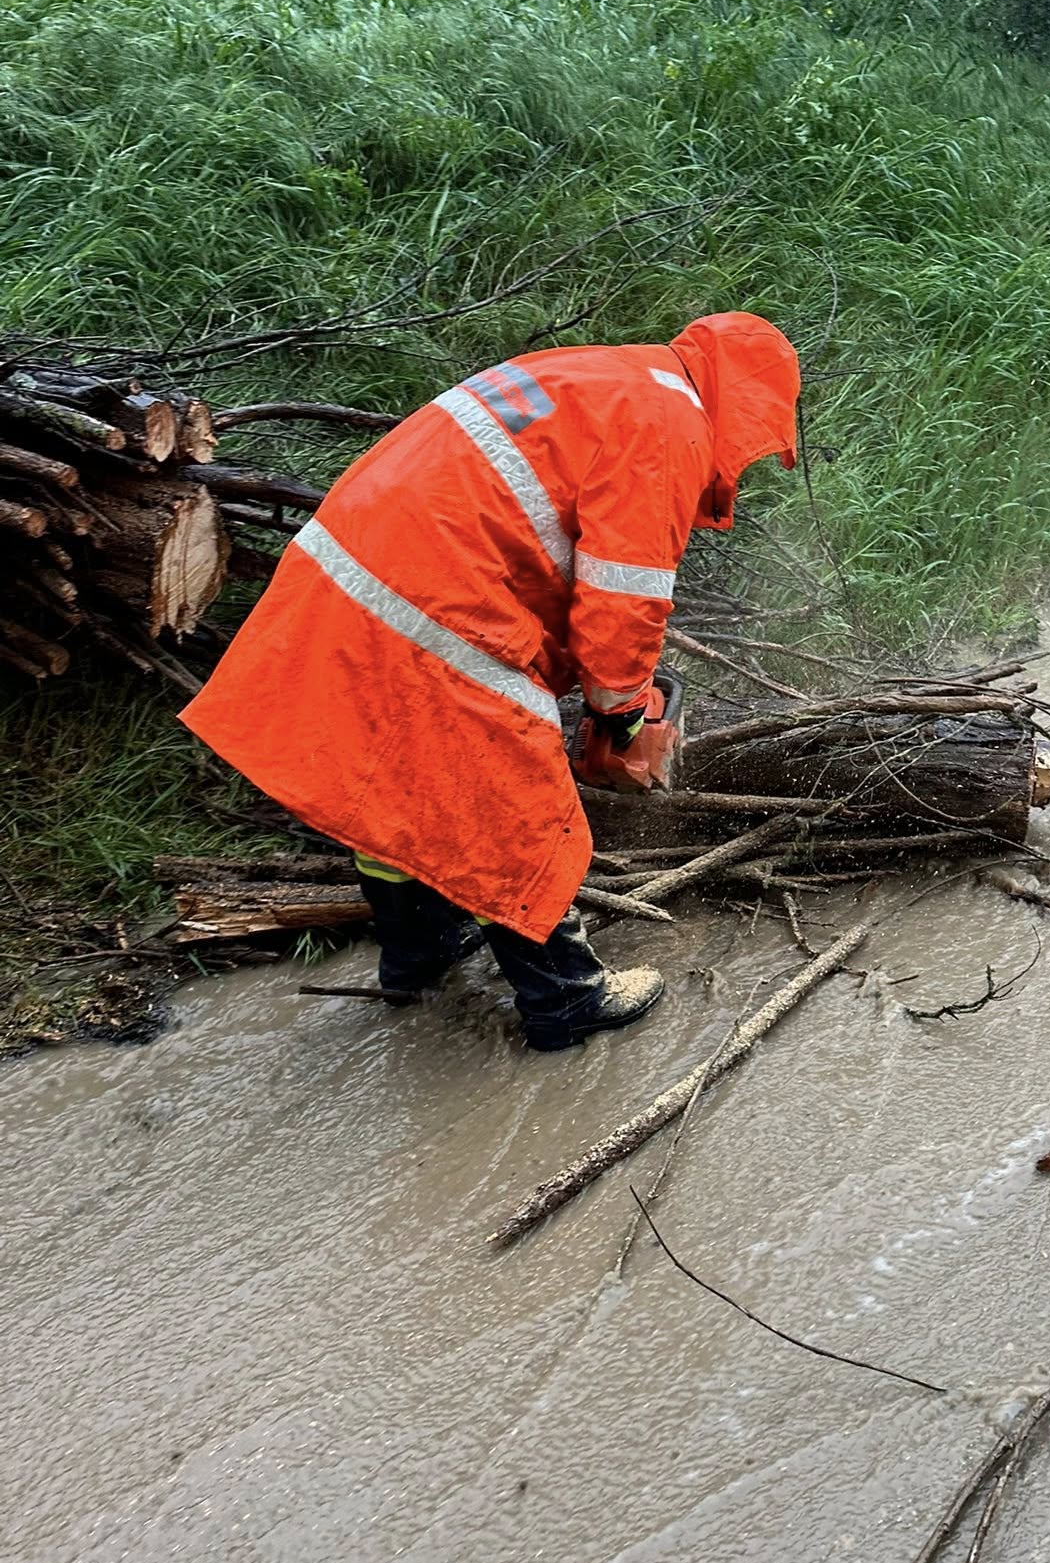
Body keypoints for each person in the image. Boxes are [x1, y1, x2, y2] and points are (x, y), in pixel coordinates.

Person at [180, 311, 801, 1050]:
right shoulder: (667, 423)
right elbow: (622, 601)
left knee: (399, 788)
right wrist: (624, 712)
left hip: (347, 572)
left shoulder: (602, 371)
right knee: (520, 808)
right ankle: (565, 998)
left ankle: (418, 952)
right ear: (749, 401)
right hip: (440, 604)